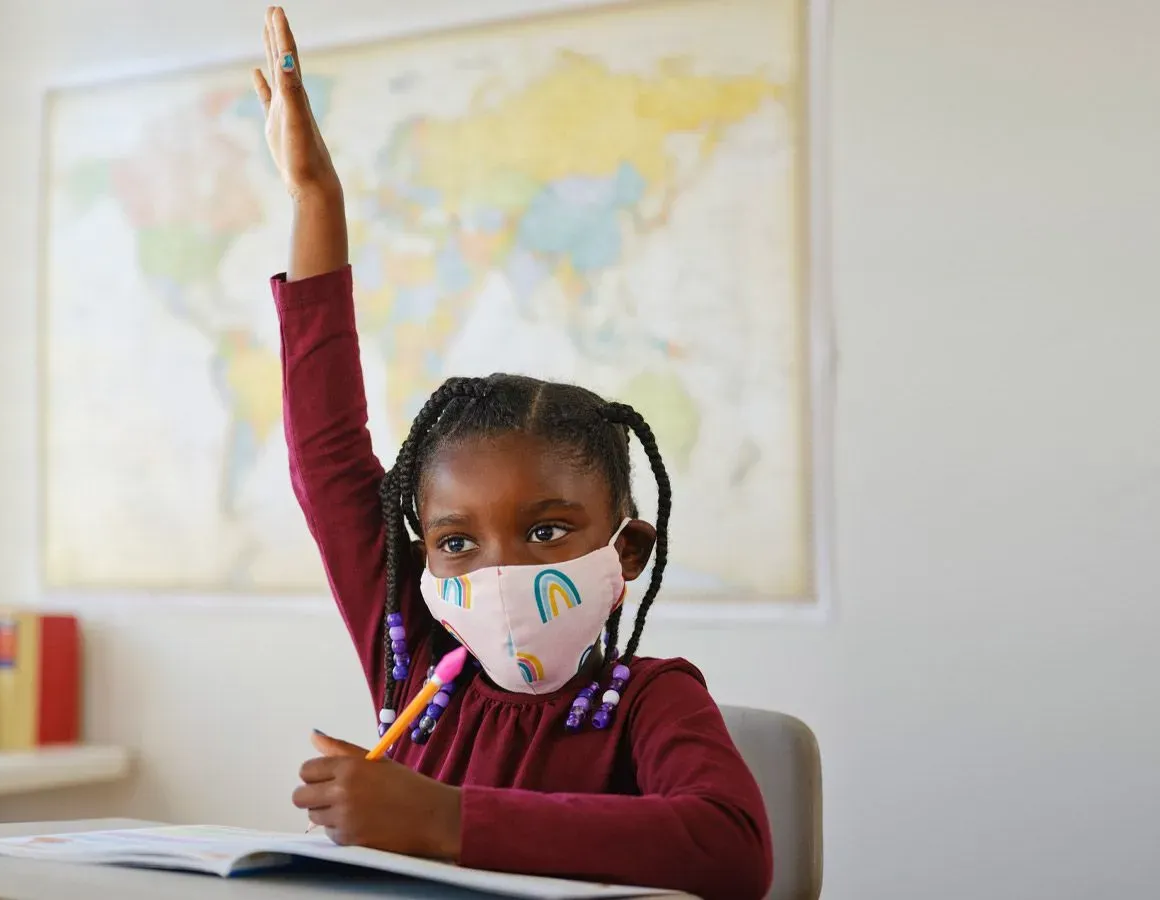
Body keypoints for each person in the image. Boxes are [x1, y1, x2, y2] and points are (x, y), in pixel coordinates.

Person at [254, 8, 773, 898]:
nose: (496, 574)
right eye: (458, 542)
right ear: (422, 560)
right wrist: (314, 201)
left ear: (629, 551)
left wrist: (440, 817)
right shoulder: (411, 665)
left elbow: (732, 851)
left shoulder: (650, 701)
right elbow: (327, 454)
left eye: (545, 532)